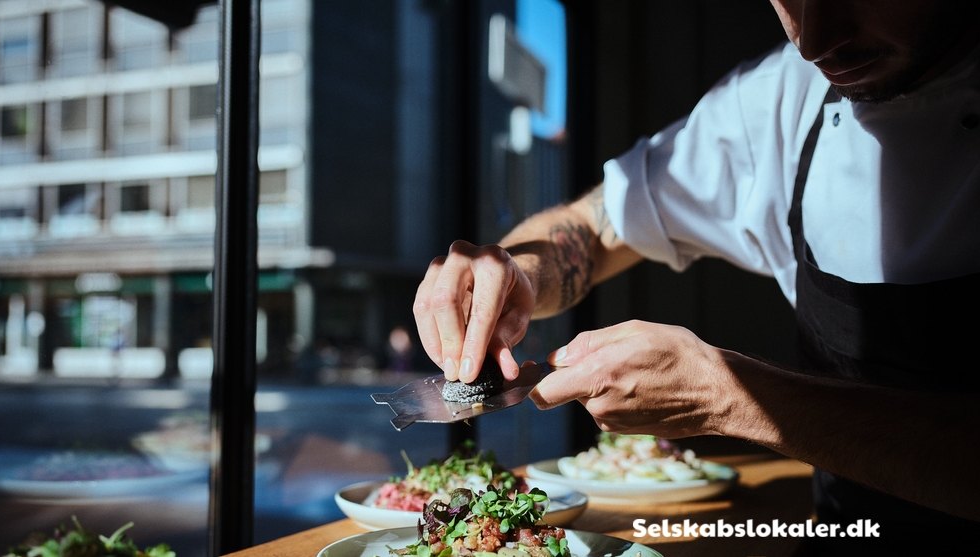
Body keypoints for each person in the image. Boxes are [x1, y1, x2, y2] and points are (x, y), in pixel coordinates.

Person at [413, 0, 980, 553]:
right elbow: (594, 226)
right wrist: (517, 269)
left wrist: (728, 395)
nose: (813, 39)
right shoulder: (783, 98)